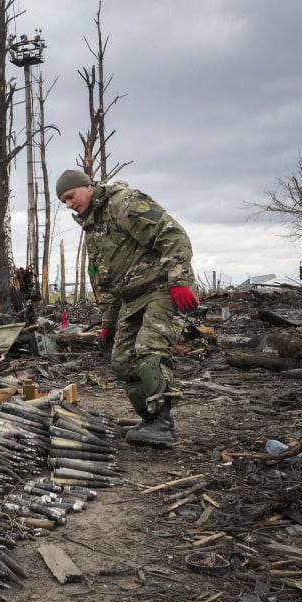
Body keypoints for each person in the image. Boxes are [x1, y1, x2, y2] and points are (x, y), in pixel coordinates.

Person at [55, 168, 197, 449]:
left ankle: (162, 425)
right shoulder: (93, 229)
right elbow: (106, 281)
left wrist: (178, 281)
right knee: (122, 361)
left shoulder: (123, 202)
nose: (70, 204)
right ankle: (148, 418)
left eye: (71, 196)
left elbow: (172, 234)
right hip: (131, 298)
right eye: (64, 202)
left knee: (149, 349)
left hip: (161, 288)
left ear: (87, 186)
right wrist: (108, 321)